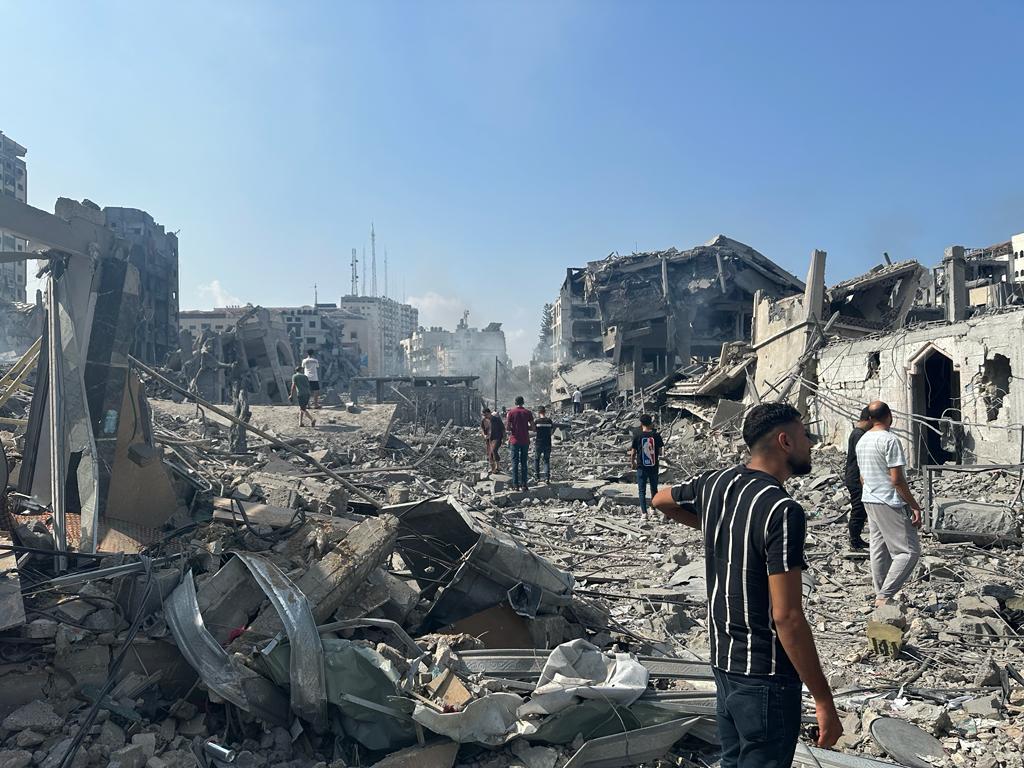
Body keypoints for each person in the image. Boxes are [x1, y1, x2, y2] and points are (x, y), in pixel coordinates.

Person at [652, 403, 842, 766]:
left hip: (724, 665)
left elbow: (661, 499)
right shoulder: (782, 511)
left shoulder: (714, 483)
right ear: (785, 442)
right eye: (805, 435)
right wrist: (823, 700)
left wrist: (717, 525)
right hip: (766, 678)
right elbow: (787, 617)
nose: (811, 443)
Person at [855, 401, 923, 607]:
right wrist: (914, 505)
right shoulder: (890, 440)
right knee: (909, 552)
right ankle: (884, 596)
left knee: (879, 549)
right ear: (889, 416)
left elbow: (862, 477)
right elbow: (897, 480)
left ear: (870, 418)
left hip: (869, 498)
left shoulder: (863, 440)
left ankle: (881, 594)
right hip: (888, 500)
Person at [845, 407, 872, 551]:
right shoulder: (859, 435)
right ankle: (854, 541)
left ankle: (857, 539)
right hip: (855, 478)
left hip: (855, 476)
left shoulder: (858, 433)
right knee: (858, 509)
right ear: (869, 419)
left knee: (861, 509)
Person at [630, 414, 664, 515]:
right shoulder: (656, 435)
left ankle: (644, 513)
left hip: (641, 467)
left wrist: (632, 462)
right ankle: (653, 509)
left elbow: (633, 453)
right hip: (653, 466)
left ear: (641, 424)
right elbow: (660, 451)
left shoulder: (637, 436)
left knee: (642, 490)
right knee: (654, 489)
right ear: (651, 423)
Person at [505, 396, 535, 491]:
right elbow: (533, 427)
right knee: (524, 463)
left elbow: (507, 428)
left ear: (515, 402)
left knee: (515, 463)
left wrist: (515, 428)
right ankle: (524, 485)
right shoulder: (528, 412)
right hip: (525, 440)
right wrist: (525, 427)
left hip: (514, 440)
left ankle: (515, 485)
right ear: (523, 402)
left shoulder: (511, 412)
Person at [533, 405, 554, 484]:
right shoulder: (549, 421)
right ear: (545, 412)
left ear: (538, 412)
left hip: (538, 443)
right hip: (547, 443)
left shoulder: (537, 421)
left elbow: (534, 431)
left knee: (537, 459)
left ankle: (537, 477)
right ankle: (547, 478)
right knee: (546, 460)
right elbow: (551, 432)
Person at [481, 407, 504, 472]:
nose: (485, 416)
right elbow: (482, 429)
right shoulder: (484, 420)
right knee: (490, 453)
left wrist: (504, 439)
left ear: (490, 413)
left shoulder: (496, 419)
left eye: (486, 415)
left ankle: (495, 468)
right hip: (489, 439)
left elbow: (503, 429)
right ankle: (495, 468)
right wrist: (484, 435)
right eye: (484, 415)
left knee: (493, 450)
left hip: (497, 438)